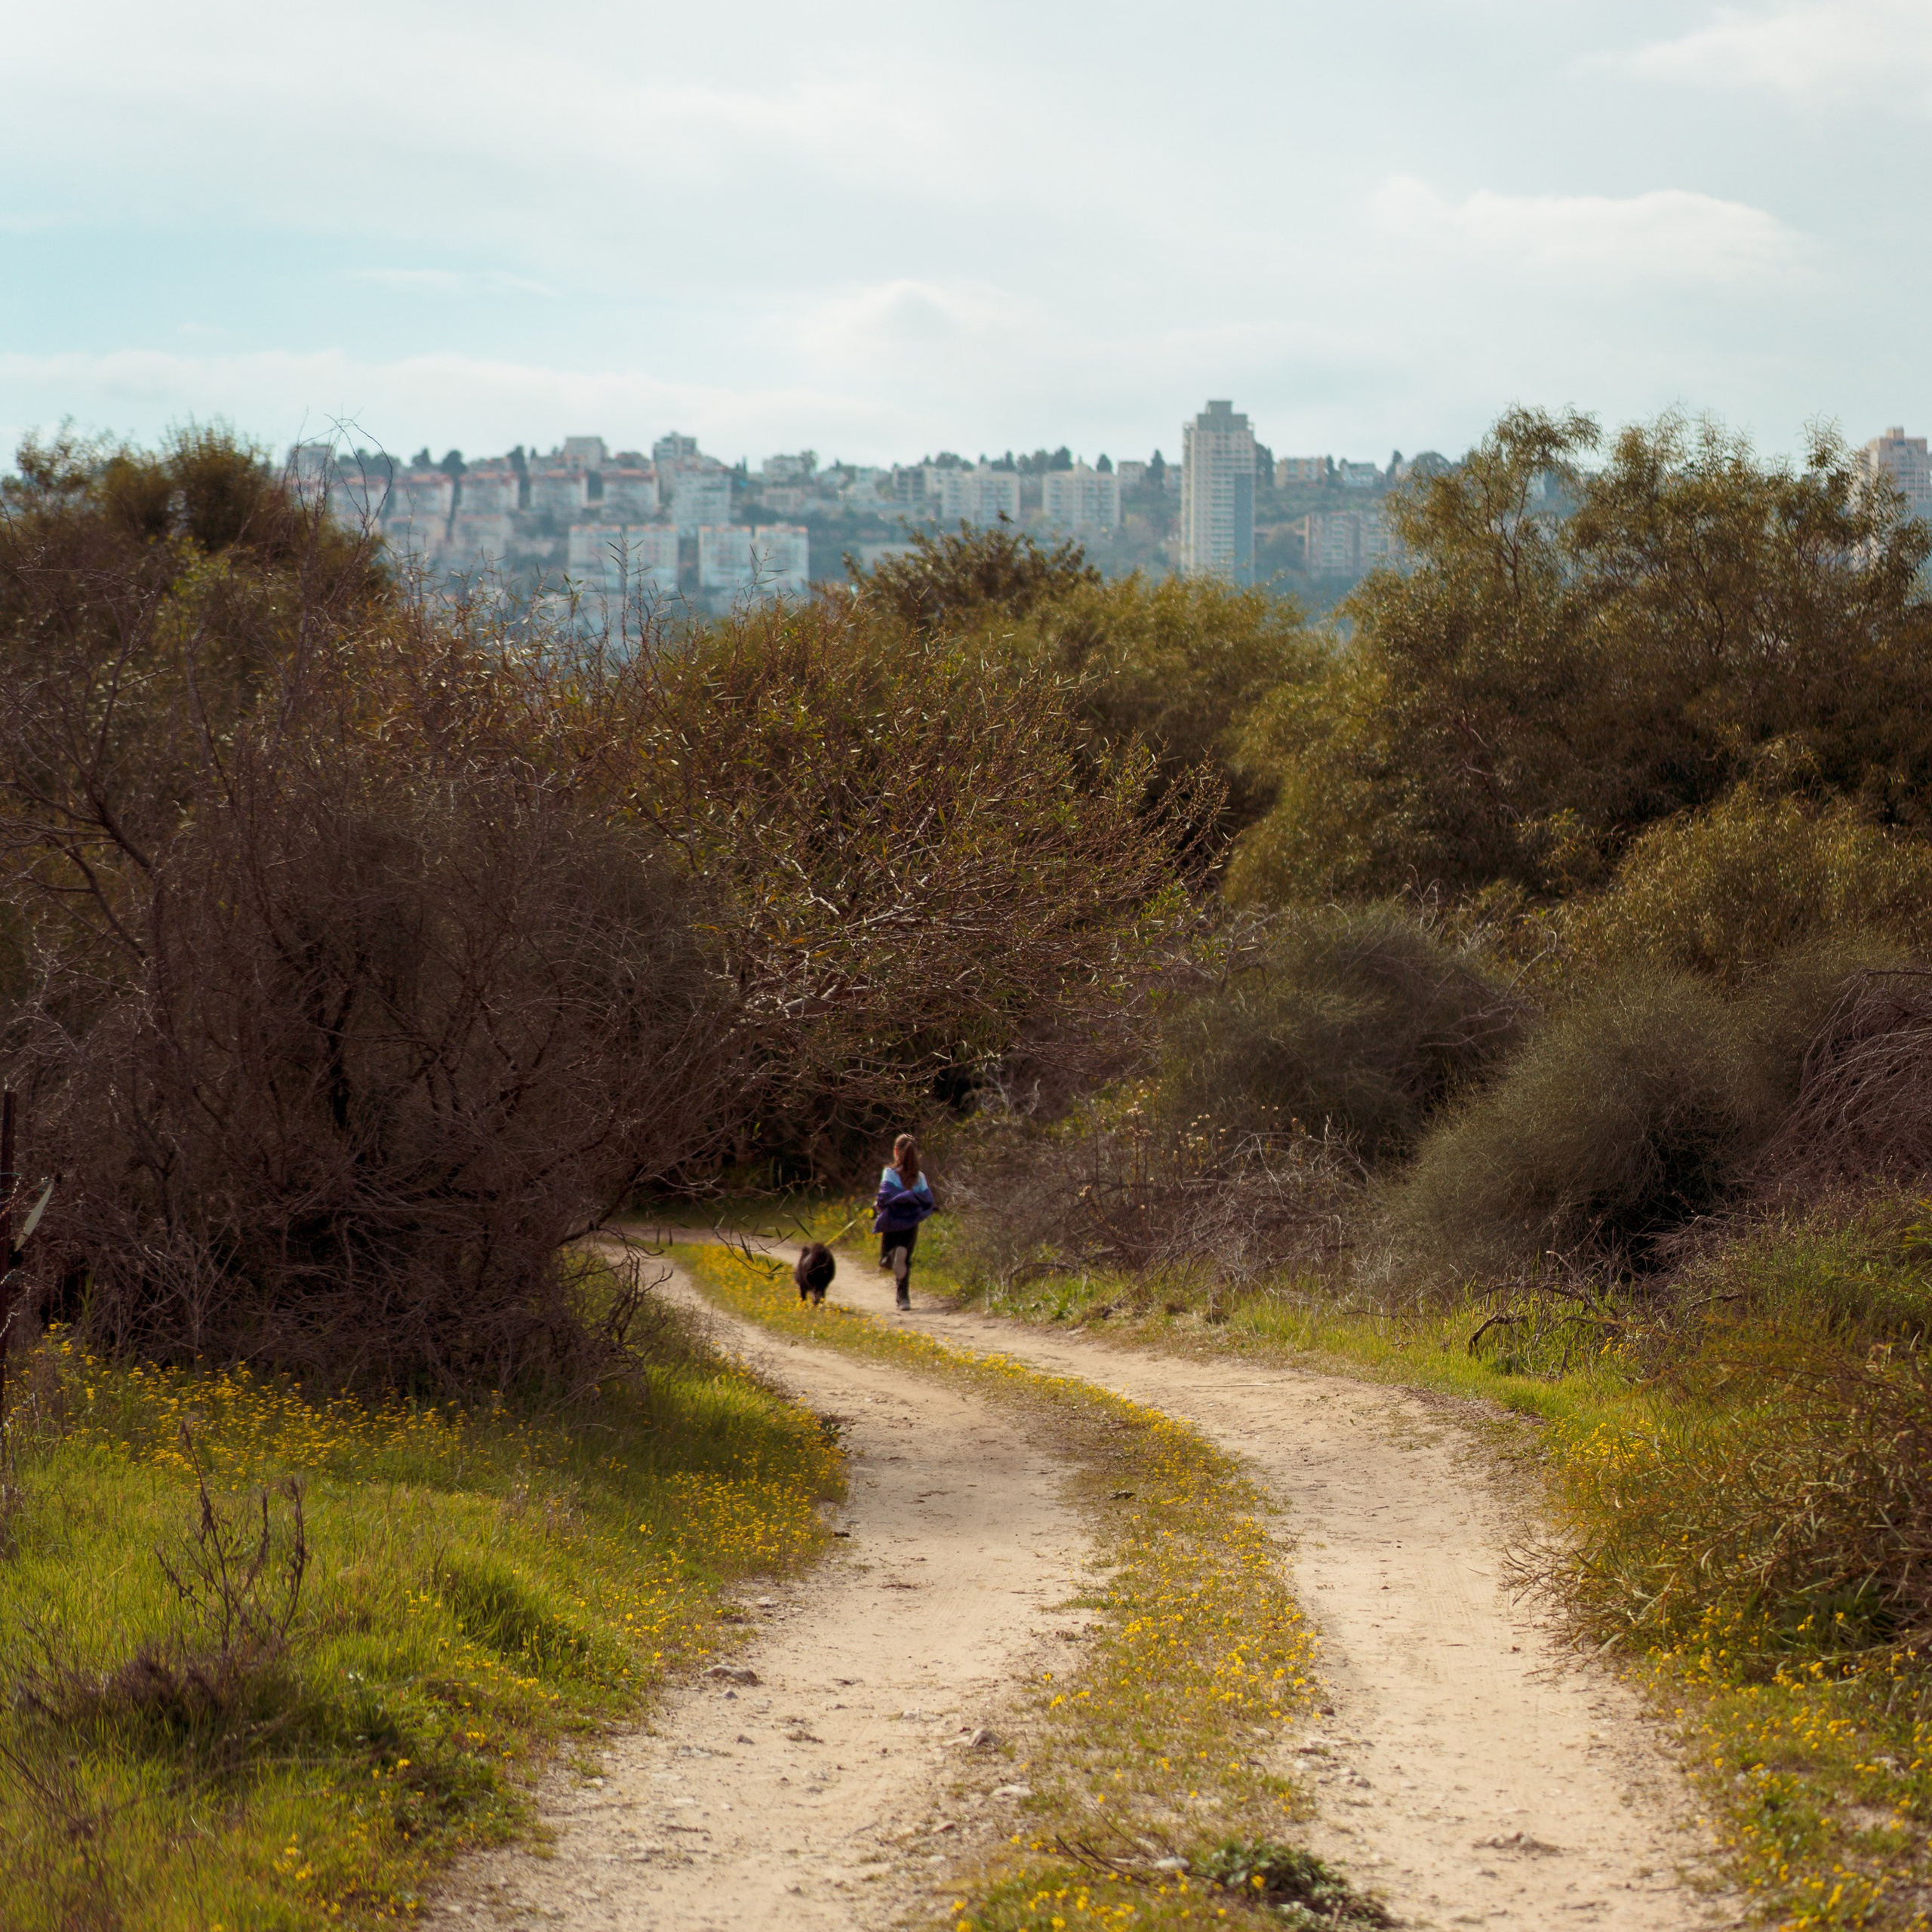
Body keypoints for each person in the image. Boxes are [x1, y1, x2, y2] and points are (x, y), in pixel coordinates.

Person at [872, 1133, 935, 1311]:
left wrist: (877, 1206)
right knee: (905, 1260)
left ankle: (892, 1256)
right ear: (916, 1154)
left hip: (892, 1221)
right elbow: (927, 1199)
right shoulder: (920, 1177)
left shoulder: (890, 1173)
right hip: (911, 1223)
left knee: (885, 1259)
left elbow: (885, 1196)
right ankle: (903, 1298)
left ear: (896, 1151)